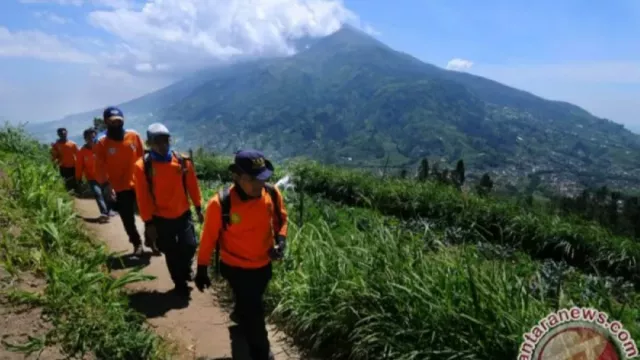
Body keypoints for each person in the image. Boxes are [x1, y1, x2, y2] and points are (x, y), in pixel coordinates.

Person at [194, 150, 288, 360]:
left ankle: (240, 313)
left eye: (262, 179)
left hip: (263, 265)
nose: (258, 185)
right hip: (235, 267)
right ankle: (261, 351)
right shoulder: (221, 204)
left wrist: (281, 241)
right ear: (236, 177)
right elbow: (208, 238)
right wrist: (201, 268)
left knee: (251, 299)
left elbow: (281, 219)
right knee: (254, 312)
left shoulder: (271, 194)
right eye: (252, 179)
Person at [133, 123, 204, 295]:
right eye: (158, 141)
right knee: (170, 252)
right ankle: (179, 282)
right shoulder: (142, 166)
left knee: (190, 245)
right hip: (160, 217)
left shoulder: (181, 161)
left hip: (183, 213)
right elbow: (143, 197)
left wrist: (198, 207)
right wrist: (148, 222)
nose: (163, 145)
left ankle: (186, 268)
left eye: (166, 140)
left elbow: (192, 185)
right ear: (149, 144)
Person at [94, 106, 145, 255]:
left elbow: (143, 158)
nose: (116, 124)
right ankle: (137, 243)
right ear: (106, 122)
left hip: (138, 183)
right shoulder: (101, 142)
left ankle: (151, 238)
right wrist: (107, 185)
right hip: (119, 188)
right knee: (128, 219)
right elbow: (100, 167)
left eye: (118, 121)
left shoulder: (133, 136)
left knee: (149, 213)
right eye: (112, 122)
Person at [76, 128, 112, 223]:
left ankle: (108, 211)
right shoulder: (82, 151)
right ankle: (104, 213)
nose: (91, 139)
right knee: (98, 194)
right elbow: (79, 165)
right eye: (89, 137)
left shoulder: (102, 147)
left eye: (93, 137)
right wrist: (78, 177)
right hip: (92, 178)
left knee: (107, 195)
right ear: (85, 139)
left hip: (105, 176)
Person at [50, 127, 78, 193]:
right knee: (66, 181)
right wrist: (53, 164)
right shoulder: (56, 145)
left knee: (75, 181)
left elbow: (78, 155)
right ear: (58, 135)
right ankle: (69, 195)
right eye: (61, 134)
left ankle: (77, 193)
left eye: (64, 133)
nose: (63, 135)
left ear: (67, 133)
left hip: (73, 166)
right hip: (63, 166)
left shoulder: (73, 144)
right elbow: (54, 156)